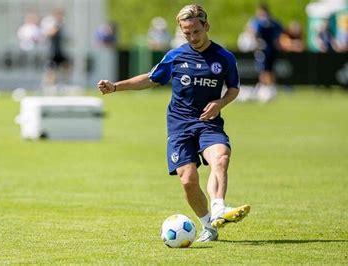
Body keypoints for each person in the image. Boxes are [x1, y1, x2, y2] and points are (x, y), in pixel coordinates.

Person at [98, 4, 250, 243]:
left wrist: (220, 103)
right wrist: (116, 87)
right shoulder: (176, 56)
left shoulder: (224, 58)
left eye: (196, 32)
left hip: (208, 123)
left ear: (206, 26)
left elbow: (233, 89)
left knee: (220, 158)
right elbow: (149, 79)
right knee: (188, 180)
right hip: (180, 126)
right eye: (186, 33)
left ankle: (219, 206)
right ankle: (208, 226)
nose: (192, 37)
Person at [249, 3, 283, 102]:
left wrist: (256, 43)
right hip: (268, 49)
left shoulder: (260, 22)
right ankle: (267, 89)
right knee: (266, 69)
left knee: (266, 69)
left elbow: (253, 32)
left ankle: (268, 89)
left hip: (265, 49)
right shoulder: (272, 21)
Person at [40, 8, 70, 94]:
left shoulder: (62, 23)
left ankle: (63, 85)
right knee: (51, 69)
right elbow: (49, 33)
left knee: (66, 66)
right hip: (51, 50)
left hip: (59, 50)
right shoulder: (48, 22)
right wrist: (56, 27)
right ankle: (48, 87)